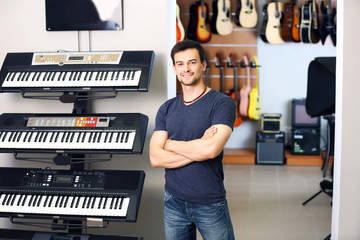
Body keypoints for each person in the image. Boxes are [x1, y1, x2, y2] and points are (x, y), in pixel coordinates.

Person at [149, 40, 236, 240]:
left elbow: (210, 151)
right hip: (173, 201)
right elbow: (155, 158)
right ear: (174, 68)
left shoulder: (222, 103)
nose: (186, 69)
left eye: (192, 62)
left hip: (209, 202)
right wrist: (198, 148)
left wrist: (169, 144)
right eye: (180, 64)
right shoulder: (167, 108)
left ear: (203, 65)